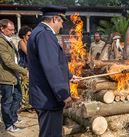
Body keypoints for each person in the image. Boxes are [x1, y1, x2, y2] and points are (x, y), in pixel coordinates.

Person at [27, 6, 80, 137]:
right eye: (61, 22)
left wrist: (69, 76)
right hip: (48, 98)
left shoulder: (39, 32)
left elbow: (51, 63)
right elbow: (51, 67)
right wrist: (63, 94)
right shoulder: (45, 34)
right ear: (55, 19)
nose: (62, 26)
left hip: (44, 95)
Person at [0, 19, 28, 132]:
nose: (13, 32)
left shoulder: (8, 39)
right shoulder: (1, 41)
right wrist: (24, 71)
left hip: (14, 74)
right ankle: (9, 125)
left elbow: (15, 58)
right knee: (7, 101)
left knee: (18, 97)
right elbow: (8, 62)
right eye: (10, 29)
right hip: (6, 76)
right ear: (2, 28)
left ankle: (13, 118)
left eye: (13, 29)